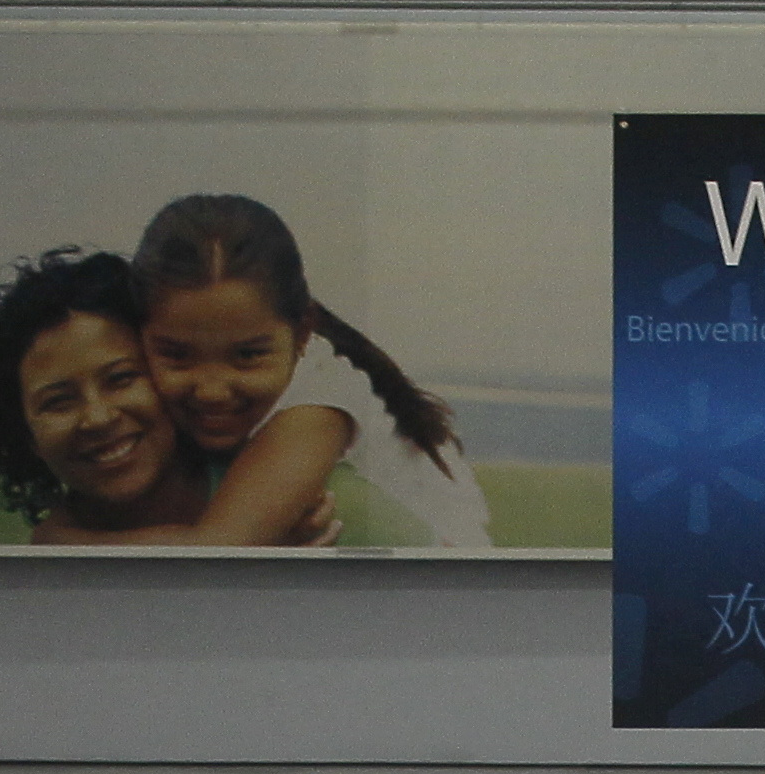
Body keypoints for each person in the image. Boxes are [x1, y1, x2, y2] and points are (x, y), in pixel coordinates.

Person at [119, 192, 497, 550]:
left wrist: (60, 540)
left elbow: (213, 550)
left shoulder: (318, 405)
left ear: (301, 334)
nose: (212, 390)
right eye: (177, 355)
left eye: (248, 355)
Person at [0, 249, 213, 542]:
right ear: (25, 435)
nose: (97, 418)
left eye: (121, 378)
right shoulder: (35, 572)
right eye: (58, 402)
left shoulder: (272, 464)